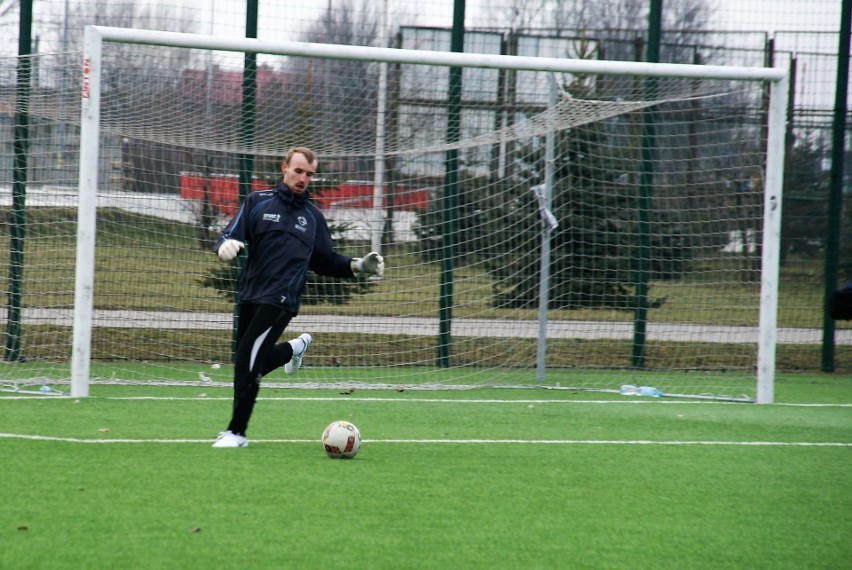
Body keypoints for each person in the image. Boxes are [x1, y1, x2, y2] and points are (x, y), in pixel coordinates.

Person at [211, 147, 384, 448]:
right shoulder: (257, 201)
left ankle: (236, 433)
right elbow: (230, 234)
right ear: (285, 168)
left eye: (310, 174)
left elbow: (325, 260)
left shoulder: (312, 217)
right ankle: (294, 349)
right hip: (250, 294)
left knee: (247, 360)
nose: (303, 178)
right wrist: (225, 246)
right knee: (250, 362)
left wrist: (358, 266)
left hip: (281, 300)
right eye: (299, 171)